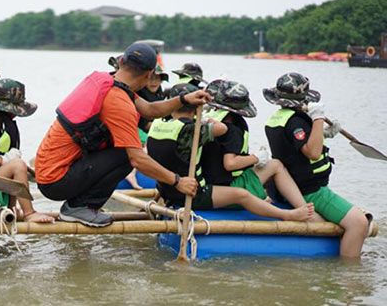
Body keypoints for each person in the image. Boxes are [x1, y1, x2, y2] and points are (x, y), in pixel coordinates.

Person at [35, 43, 210, 227]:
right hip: (56, 180)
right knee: (127, 155)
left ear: (121, 61)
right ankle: (78, 208)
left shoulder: (108, 81)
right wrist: (177, 181)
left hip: (47, 170)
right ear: (149, 74)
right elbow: (137, 160)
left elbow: (149, 110)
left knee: (125, 151)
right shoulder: (119, 102)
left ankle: (78, 206)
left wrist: (183, 99)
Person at [148, 83, 314, 221]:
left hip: (167, 190)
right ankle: (289, 214)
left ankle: (272, 200)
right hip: (192, 192)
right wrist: (255, 158)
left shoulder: (158, 124)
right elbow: (228, 158)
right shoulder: (198, 129)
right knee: (245, 191)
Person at [263, 72, 370, 257]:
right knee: (359, 222)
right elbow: (312, 152)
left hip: (284, 189)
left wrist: (323, 133)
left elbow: (293, 144)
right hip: (310, 190)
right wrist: (318, 119)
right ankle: (349, 274)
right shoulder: (296, 121)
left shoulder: (279, 117)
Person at [196, 80, 315, 216]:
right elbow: (230, 163)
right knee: (276, 165)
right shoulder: (233, 129)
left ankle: (265, 198)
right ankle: (303, 209)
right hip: (227, 190)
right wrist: (255, 158)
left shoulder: (208, 123)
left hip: (209, 184)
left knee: (261, 168)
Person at [0, 78, 54, 223]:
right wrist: (3, 160)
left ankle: (12, 208)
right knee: (17, 165)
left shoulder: (4, 124)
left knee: (17, 165)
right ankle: (29, 213)